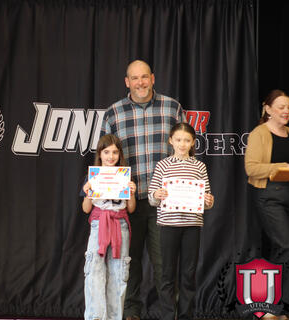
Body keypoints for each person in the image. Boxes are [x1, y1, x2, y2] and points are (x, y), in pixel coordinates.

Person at [101, 59, 185, 319]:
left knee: (165, 265)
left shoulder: (172, 108)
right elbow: (105, 159)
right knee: (129, 261)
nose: (140, 83)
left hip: (164, 202)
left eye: (144, 77)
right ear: (127, 82)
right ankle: (131, 312)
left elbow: (185, 152)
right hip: (129, 203)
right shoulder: (113, 113)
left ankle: (168, 313)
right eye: (134, 78)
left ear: (153, 78)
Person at [148, 122, 214, 320]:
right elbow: (152, 198)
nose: (182, 144)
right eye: (178, 140)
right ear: (171, 141)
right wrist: (157, 194)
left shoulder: (199, 166)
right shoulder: (163, 165)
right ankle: (168, 315)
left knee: (188, 274)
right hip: (168, 225)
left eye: (187, 140)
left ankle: (186, 315)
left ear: (193, 142)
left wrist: (209, 200)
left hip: (192, 225)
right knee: (167, 274)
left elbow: (207, 199)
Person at [245, 89, 289, 318]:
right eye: (281, 107)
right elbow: (251, 168)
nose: (286, 111)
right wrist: (279, 167)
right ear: (268, 109)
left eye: (288, 107)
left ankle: (284, 306)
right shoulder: (259, 133)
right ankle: (270, 306)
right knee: (285, 246)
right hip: (269, 196)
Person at [82, 134, 137, 320]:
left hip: (119, 224)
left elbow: (131, 208)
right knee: (95, 272)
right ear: (100, 153)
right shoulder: (94, 175)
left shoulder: (124, 175)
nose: (110, 156)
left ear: (119, 154)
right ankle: (96, 316)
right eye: (106, 152)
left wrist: (131, 192)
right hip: (99, 224)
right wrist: (88, 192)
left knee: (118, 273)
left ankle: (114, 317)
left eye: (114, 152)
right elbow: (86, 209)